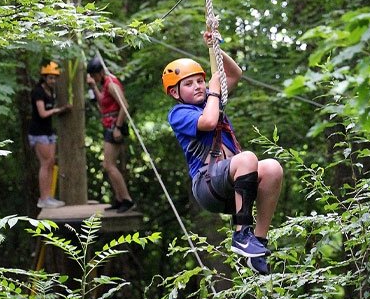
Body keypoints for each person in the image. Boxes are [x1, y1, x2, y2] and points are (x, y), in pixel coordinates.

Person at [162, 32, 284, 274]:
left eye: (200, 81)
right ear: (175, 93)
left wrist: (215, 48)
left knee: (272, 167)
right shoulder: (179, 113)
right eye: (189, 84)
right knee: (248, 157)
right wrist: (214, 91)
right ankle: (241, 235)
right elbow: (207, 122)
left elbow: (234, 74)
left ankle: (257, 242)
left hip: (234, 184)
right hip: (207, 184)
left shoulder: (212, 99)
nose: (197, 87)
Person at [86, 57, 135, 213]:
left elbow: (124, 105)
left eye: (94, 76)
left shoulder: (111, 84)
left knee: (109, 165)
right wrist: (93, 86)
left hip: (114, 126)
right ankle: (119, 199)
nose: (93, 78)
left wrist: (118, 127)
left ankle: (126, 199)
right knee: (108, 165)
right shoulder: (105, 84)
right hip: (109, 125)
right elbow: (103, 103)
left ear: (101, 72)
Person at [29, 61, 72, 209]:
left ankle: (49, 197)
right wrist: (59, 110)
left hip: (48, 131)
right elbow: (43, 113)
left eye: (55, 78)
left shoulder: (51, 92)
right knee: (45, 163)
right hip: (38, 132)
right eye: (50, 78)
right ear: (44, 77)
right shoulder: (38, 92)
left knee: (51, 162)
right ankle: (43, 198)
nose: (53, 81)